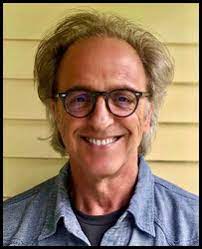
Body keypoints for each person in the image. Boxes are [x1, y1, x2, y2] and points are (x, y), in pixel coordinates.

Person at [3, 9, 198, 246]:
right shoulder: (9, 229)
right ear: (56, 112)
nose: (100, 120)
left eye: (123, 98)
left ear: (148, 113)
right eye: (80, 98)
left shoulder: (192, 230)